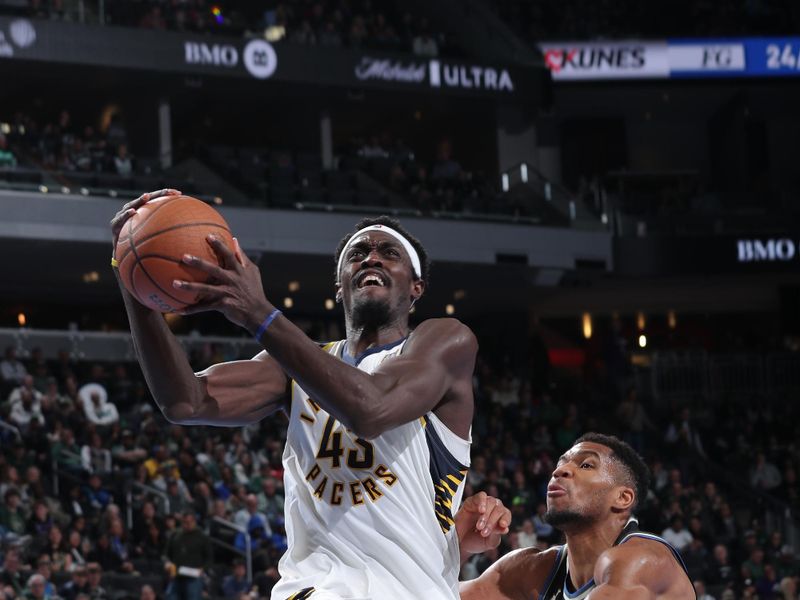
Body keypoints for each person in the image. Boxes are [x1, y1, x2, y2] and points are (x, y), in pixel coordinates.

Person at [111, 190, 488, 600]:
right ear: (340, 288)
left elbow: (371, 408)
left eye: (388, 253)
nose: (372, 258)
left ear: (416, 287)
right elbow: (186, 401)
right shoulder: (292, 367)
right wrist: (135, 281)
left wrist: (258, 313)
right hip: (315, 588)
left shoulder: (446, 341)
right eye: (357, 253)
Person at [460, 433, 696, 599]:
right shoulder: (536, 569)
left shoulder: (643, 561)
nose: (559, 470)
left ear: (622, 498)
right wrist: (459, 545)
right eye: (561, 464)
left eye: (586, 465)